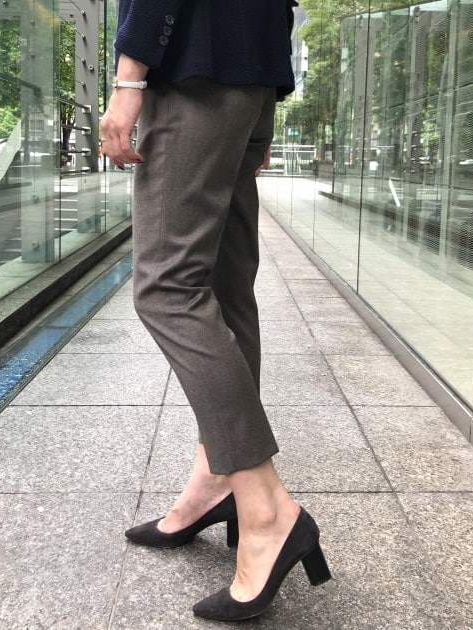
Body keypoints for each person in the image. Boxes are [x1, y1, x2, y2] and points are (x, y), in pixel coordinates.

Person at [100, 0, 331, 621]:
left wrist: (129, 79)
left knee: (167, 289)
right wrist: (263, 95)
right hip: (249, 71)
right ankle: (215, 478)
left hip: (195, 72)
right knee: (225, 290)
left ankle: (267, 509)